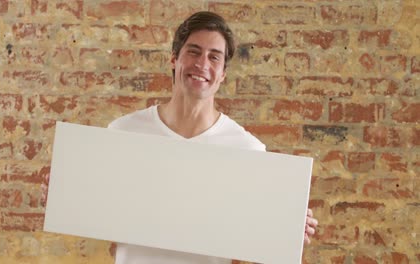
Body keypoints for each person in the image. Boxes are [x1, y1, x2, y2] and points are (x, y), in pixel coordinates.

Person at [42, 11, 318, 264]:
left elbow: (251, 243)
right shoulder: (124, 133)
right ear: (174, 58)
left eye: (214, 56)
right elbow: (103, 224)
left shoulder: (247, 150)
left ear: (223, 73)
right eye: (193, 52)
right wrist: (63, 193)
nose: (202, 64)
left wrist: (286, 227)